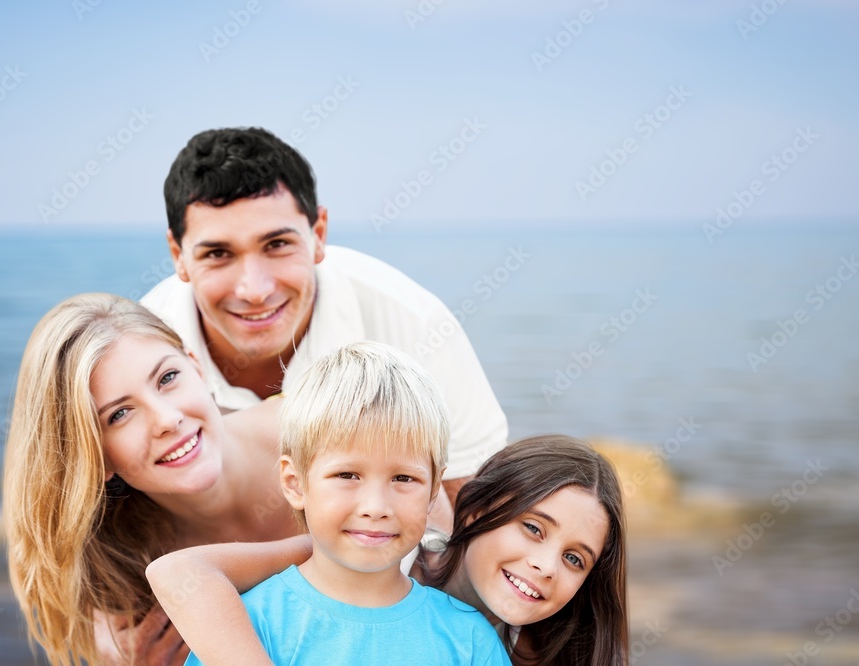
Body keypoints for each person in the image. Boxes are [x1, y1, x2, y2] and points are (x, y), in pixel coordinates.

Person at [141, 126, 508, 507]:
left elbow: (477, 510)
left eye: (277, 244)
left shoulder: (416, 323)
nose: (255, 290)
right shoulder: (139, 352)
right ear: (177, 254)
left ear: (318, 234)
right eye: (218, 254)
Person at [162, 341, 511, 665]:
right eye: (347, 475)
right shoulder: (250, 625)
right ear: (295, 483)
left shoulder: (468, 638)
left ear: (434, 489)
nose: (375, 507)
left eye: (403, 478)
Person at [2, 293, 303, 666]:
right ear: (95, 458)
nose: (166, 419)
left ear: (197, 367)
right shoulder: (123, 583)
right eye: (120, 414)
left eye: (168, 378)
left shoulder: (327, 429)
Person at [148, 434, 628, 666]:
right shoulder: (376, 549)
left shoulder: (519, 652)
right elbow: (183, 572)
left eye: (574, 559)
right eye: (533, 528)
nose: (546, 566)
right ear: (478, 509)